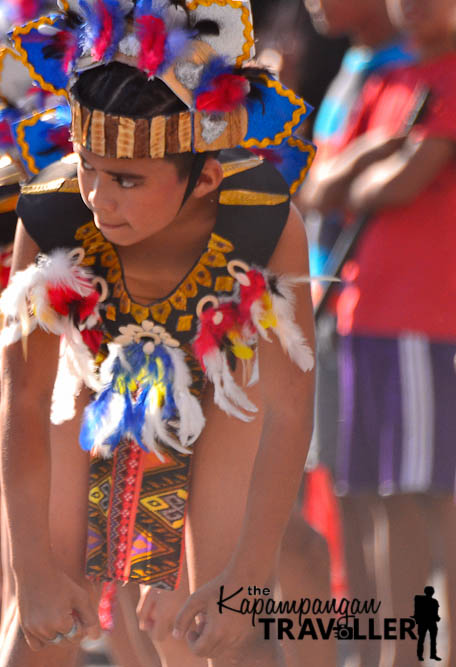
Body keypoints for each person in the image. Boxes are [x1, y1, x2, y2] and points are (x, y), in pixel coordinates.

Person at [0, 2, 318, 664]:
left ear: (206, 178)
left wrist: (250, 578)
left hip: (221, 374)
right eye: (88, 166)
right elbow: (21, 396)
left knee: (216, 627)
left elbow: (288, 408)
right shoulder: (53, 212)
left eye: (127, 180)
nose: (98, 198)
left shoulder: (262, 220)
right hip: (95, 368)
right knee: (42, 623)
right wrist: (28, 571)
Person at [301, 0, 456, 663]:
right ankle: (382, 655)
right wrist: (376, 153)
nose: (413, 4)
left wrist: (363, 174)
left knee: (431, 504)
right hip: (360, 311)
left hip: (426, 318)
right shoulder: (381, 79)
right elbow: (315, 188)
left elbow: (403, 184)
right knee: (367, 494)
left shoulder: (447, 76)